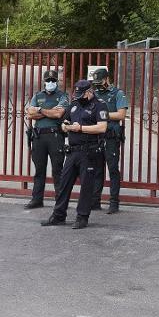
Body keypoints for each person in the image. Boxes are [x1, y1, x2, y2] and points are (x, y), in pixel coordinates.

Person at [41, 79, 107, 229]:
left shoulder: (99, 105)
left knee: (86, 187)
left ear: (90, 92)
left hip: (89, 152)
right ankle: (58, 215)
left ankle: (82, 217)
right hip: (72, 151)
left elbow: (102, 127)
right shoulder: (75, 104)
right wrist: (66, 126)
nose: (79, 97)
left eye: (82, 94)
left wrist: (80, 128)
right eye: (77, 94)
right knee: (64, 184)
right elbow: (64, 122)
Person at [23, 69, 69, 209]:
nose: (50, 83)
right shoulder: (38, 95)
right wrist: (48, 111)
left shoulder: (63, 96)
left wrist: (40, 110)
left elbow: (59, 114)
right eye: (48, 80)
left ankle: (59, 201)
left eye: (53, 80)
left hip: (55, 136)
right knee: (39, 170)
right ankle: (37, 199)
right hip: (39, 137)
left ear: (57, 82)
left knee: (57, 170)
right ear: (44, 81)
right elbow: (30, 114)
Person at [92, 67, 128, 213]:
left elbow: (121, 115)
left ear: (107, 79)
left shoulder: (117, 93)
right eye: (96, 82)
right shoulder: (94, 93)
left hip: (111, 137)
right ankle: (95, 201)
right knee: (97, 170)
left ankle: (114, 203)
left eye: (100, 81)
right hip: (96, 136)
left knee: (113, 169)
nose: (98, 85)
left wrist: (102, 115)